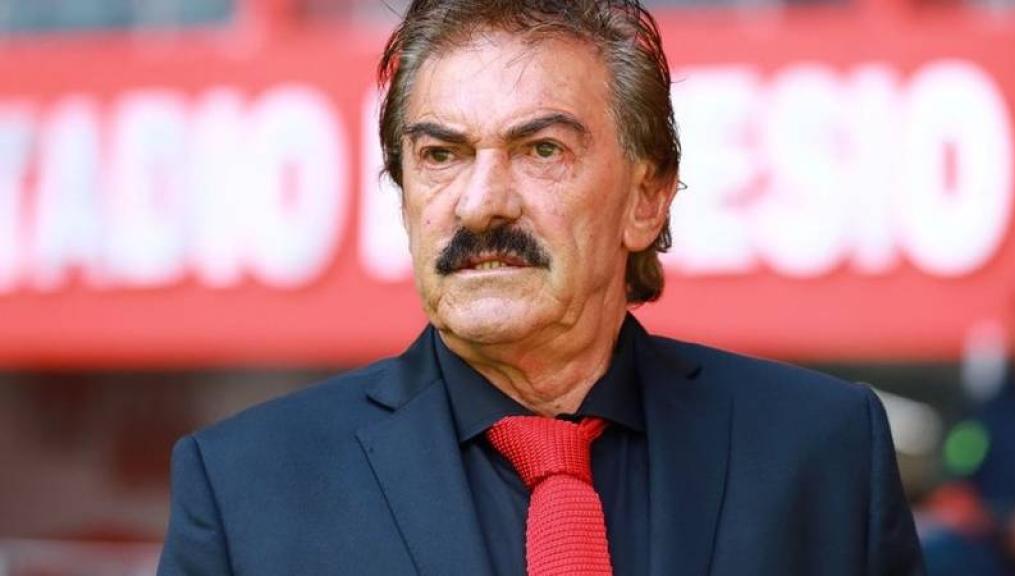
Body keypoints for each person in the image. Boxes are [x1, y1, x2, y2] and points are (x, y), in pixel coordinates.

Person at [158, 1, 925, 574]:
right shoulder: (245, 489)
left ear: (646, 198)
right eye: (441, 155)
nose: (481, 203)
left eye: (541, 149)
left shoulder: (821, 452)